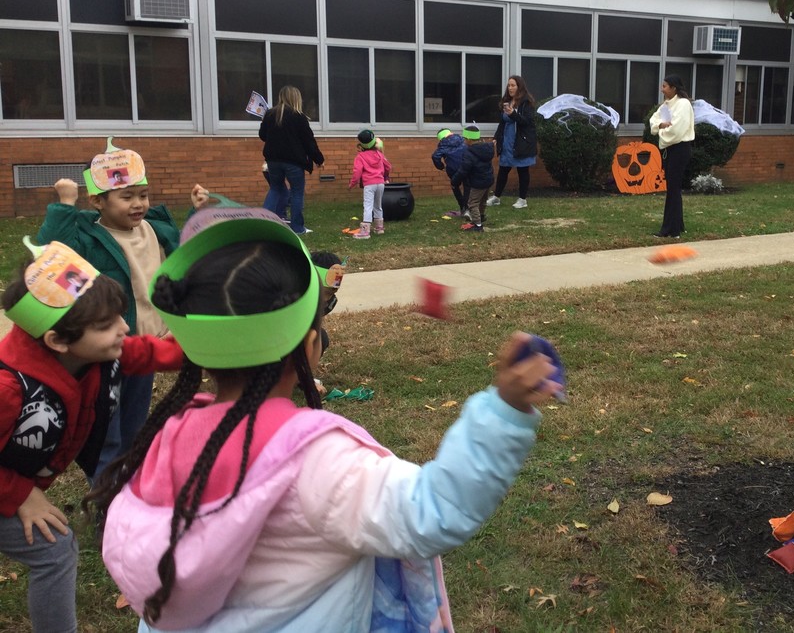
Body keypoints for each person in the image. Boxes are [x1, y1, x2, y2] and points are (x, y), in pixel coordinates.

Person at [89, 209, 561, 632]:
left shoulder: (168, 435)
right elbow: (431, 511)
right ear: (310, 345)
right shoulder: (315, 460)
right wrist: (503, 410)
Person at [0, 240, 182, 633]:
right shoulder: (8, 389)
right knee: (54, 549)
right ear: (57, 341)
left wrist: (216, 348)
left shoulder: (94, 351)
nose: (123, 328)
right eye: (106, 325)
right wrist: (20, 494)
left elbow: (152, 353)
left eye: (119, 316)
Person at [36, 140, 207, 483]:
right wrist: (64, 205)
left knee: (134, 426)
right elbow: (48, 254)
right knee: (106, 434)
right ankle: (104, 498)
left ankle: (129, 485)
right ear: (98, 201)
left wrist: (197, 212)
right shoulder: (87, 237)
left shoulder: (156, 227)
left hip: (145, 344)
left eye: (142, 195)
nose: (139, 204)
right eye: (127, 197)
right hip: (105, 352)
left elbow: (182, 253)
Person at [260, 85, 324, 235]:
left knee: (275, 189)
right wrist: (319, 159)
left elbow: (263, 135)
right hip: (293, 162)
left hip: (273, 160)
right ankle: (297, 228)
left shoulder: (270, 114)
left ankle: (263, 223)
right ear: (296, 98)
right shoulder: (298, 117)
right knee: (297, 192)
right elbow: (308, 141)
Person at [649, 74, 695, 238]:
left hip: (680, 149)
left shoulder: (683, 104)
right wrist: (661, 124)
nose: (662, 89)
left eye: (665, 86)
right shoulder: (666, 105)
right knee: (673, 188)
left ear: (674, 88)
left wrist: (661, 132)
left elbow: (676, 130)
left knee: (673, 190)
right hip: (671, 149)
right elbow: (653, 121)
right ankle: (678, 224)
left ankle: (671, 230)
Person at [487, 75, 538, 210]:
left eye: (513, 85)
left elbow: (526, 121)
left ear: (519, 86)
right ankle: (496, 197)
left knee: (522, 171)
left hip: (521, 142)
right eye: (509, 85)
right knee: (503, 169)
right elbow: (502, 123)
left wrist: (512, 114)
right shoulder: (507, 102)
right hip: (507, 143)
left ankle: (522, 199)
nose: (510, 88)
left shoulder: (526, 103)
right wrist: (496, 137)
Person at [309, 250, 345, 396]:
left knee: (320, 336)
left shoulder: (328, 303)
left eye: (330, 294)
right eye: (322, 292)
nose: (325, 299)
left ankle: (301, 376)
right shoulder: (290, 299)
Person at [347, 129, 392, 239]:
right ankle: (379, 228)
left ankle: (365, 232)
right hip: (380, 183)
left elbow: (357, 173)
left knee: (367, 206)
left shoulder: (360, 157)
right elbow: (388, 167)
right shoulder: (379, 154)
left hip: (369, 184)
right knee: (378, 206)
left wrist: (352, 184)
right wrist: (385, 176)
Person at [452, 125, 495, 233]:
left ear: (469, 140)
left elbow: (463, 170)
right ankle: (481, 216)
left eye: (465, 138)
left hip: (478, 182)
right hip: (488, 180)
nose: (464, 141)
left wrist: (454, 181)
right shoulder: (487, 148)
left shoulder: (469, 153)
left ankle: (477, 225)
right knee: (483, 200)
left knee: (472, 203)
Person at [431, 127, 468, 218]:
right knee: (468, 187)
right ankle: (469, 209)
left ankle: (463, 208)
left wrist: (441, 167)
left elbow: (435, 156)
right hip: (467, 167)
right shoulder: (462, 140)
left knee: (455, 186)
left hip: (454, 170)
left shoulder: (443, 144)